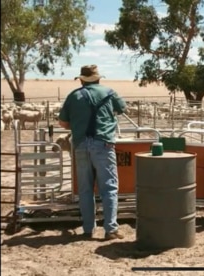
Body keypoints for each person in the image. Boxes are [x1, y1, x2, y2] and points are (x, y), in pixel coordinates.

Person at [58, 65, 127, 240]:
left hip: (80, 144)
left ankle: (88, 229)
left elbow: (63, 123)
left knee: (85, 188)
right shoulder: (109, 92)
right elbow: (122, 109)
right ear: (98, 78)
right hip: (103, 144)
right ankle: (110, 229)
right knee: (109, 187)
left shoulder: (73, 96)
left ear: (81, 79)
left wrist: (78, 122)